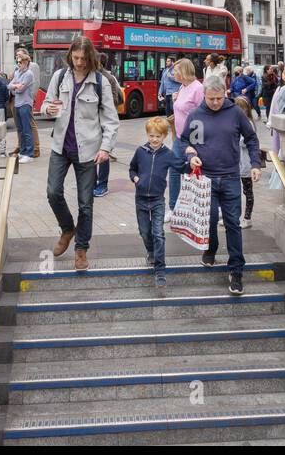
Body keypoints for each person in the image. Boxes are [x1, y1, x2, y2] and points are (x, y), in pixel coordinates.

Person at [41, 36, 120, 271]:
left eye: (84, 59)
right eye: (75, 58)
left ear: (91, 57)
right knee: (53, 192)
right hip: (60, 146)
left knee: (85, 203)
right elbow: (46, 105)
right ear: (70, 55)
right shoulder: (59, 77)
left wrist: (106, 148)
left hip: (88, 150)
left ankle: (81, 250)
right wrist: (48, 108)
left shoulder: (100, 82)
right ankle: (67, 229)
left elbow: (111, 119)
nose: (79, 63)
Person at [182, 75, 262, 295]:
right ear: (204, 96)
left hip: (230, 177)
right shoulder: (196, 114)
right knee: (208, 220)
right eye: (211, 99)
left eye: (218, 98)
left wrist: (255, 164)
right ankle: (210, 248)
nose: (215, 103)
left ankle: (236, 270)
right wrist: (189, 154)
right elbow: (184, 141)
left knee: (232, 224)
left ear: (225, 94)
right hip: (205, 178)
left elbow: (252, 139)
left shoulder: (235, 112)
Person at [128, 116, 183, 287]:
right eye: (151, 135)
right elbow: (132, 168)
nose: (154, 139)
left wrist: (193, 163)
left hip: (158, 200)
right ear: (147, 134)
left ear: (164, 136)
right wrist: (135, 178)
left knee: (158, 233)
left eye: (158, 136)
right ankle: (150, 251)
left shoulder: (168, 154)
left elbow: (181, 166)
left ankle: (160, 270)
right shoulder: (140, 151)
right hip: (141, 199)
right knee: (145, 232)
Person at [167, 58, 204, 213]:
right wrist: (175, 99)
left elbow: (203, 114)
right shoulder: (182, 87)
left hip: (194, 138)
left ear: (183, 72)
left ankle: (198, 206)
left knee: (193, 171)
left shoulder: (198, 88)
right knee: (174, 170)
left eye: (176, 71)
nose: (173, 73)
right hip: (180, 137)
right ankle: (174, 207)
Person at [93, 54, 124, 198]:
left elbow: (115, 99)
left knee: (103, 154)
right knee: (91, 153)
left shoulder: (108, 78)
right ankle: (92, 183)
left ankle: (102, 185)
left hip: (103, 121)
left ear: (100, 63)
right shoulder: (89, 75)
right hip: (91, 122)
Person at [8, 50, 38, 163]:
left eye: (20, 62)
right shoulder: (17, 73)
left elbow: (20, 90)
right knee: (20, 129)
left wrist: (15, 87)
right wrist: (16, 85)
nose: (18, 64)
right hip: (18, 103)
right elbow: (9, 86)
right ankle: (23, 151)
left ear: (26, 62)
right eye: (17, 62)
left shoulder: (29, 74)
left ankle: (29, 154)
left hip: (25, 103)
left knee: (27, 129)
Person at [235, 96, 258, 227]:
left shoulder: (248, 123)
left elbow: (246, 142)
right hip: (236, 163)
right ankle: (235, 216)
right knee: (234, 191)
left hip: (246, 164)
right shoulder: (235, 121)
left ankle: (247, 218)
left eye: (241, 108)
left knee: (247, 192)